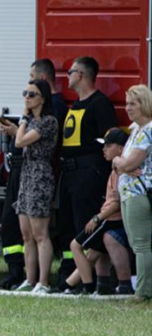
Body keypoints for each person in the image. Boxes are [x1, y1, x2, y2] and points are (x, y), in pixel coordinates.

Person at [57, 56, 117, 281]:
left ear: (81, 75)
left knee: (86, 226)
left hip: (88, 174)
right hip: (69, 174)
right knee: (67, 226)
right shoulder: (75, 105)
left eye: (70, 72)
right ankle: (67, 272)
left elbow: (110, 141)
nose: (68, 76)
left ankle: (83, 279)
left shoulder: (99, 103)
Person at [61, 128, 133, 295]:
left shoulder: (119, 170)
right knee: (93, 253)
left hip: (111, 219)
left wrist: (97, 218)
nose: (104, 149)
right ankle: (70, 285)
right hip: (110, 218)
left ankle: (88, 286)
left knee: (75, 245)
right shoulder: (114, 169)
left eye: (108, 146)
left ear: (121, 148)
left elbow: (116, 203)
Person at [8, 80, 59, 294]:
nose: (27, 97)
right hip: (27, 173)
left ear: (43, 98)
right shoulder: (31, 122)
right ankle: (29, 280)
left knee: (40, 233)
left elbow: (20, 143)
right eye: (26, 93)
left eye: (33, 94)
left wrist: (22, 120)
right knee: (26, 234)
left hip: (40, 175)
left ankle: (43, 282)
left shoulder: (47, 121)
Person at [113, 85, 152, 302]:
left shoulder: (148, 130)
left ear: (144, 104)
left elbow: (127, 162)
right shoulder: (135, 129)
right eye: (127, 103)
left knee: (141, 244)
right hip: (129, 192)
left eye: (132, 103)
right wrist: (122, 164)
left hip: (139, 193)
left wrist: (119, 162)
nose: (128, 108)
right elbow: (124, 165)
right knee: (135, 243)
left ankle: (144, 292)